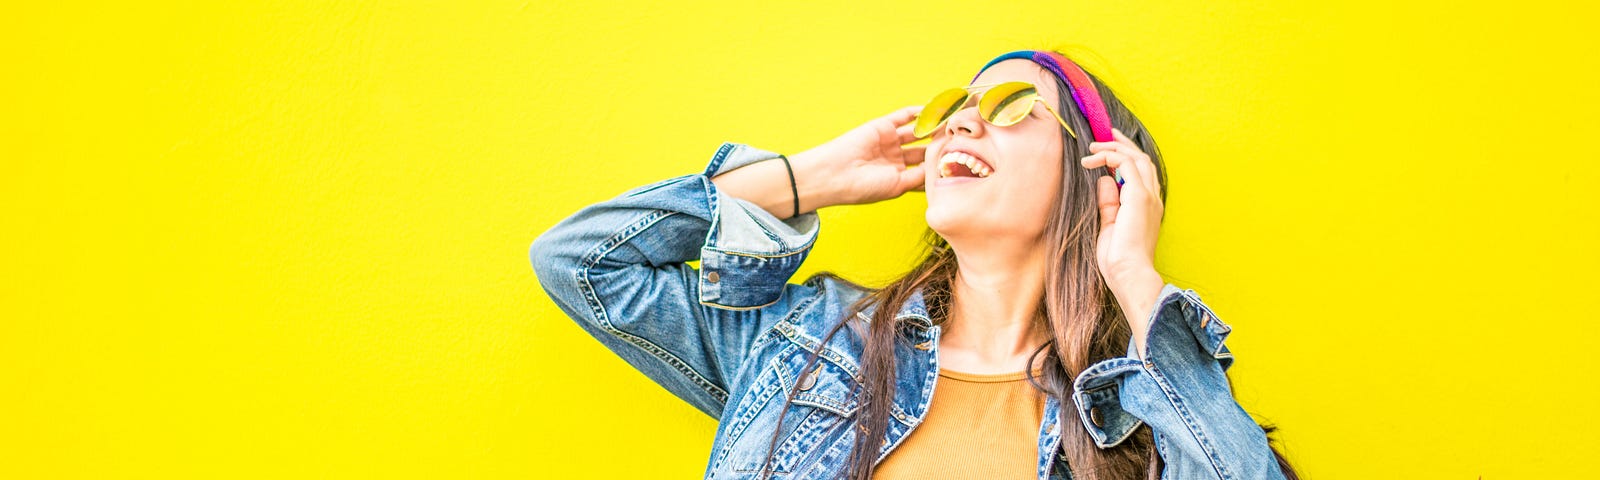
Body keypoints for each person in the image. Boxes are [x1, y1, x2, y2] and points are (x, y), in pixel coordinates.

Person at [530, 49, 1296, 479]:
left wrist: (1134, 276)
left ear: (1102, 176)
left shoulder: (1136, 414)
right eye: (956, 108)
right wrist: (807, 178)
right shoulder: (811, 340)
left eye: (1010, 109)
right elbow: (584, 264)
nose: (963, 119)